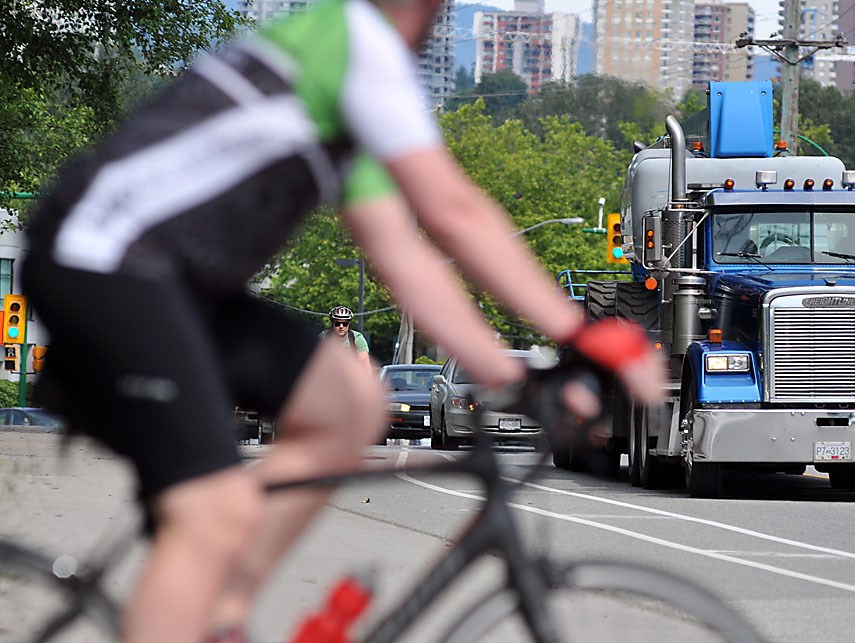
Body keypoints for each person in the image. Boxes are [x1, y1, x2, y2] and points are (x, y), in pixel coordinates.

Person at [21, 0, 665, 641]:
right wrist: (582, 332)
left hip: (173, 282)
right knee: (210, 510)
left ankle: (221, 614)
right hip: (102, 262)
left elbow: (402, 254)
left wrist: (510, 376)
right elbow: (453, 210)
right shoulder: (358, 43)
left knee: (352, 401)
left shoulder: (349, 87)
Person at [322, 305, 371, 372]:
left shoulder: (357, 338)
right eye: (337, 324)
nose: (341, 326)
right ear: (332, 324)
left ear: (349, 324)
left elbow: (364, 362)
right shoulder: (324, 337)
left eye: (345, 324)